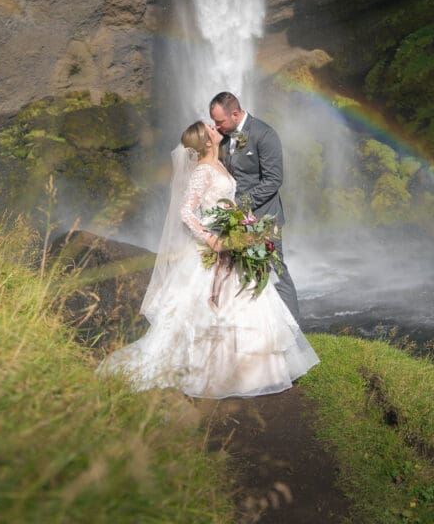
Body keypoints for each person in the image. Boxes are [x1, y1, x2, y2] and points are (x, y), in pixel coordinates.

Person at [96, 120, 319, 398]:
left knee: (246, 300)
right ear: (207, 141)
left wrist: (242, 227)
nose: (216, 128)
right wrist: (211, 239)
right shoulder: (202, 170)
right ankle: (215, 373)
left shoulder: (219, 164)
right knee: (211, 310)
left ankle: (252, 372)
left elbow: (227, 203)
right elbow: (186, 211)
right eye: (210, 128)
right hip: (213, 246)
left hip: (231, 240)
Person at [209, 91, 300, 319]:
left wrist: (240, 204)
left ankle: (295, 332)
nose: (216, 126)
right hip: (237, 220)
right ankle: (262, 327)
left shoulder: (264, 134)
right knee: (246, 273)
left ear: (236, 114)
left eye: (219, 121)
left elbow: (273, 181)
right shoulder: (224, 137)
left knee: (276, 272)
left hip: (264, 218)